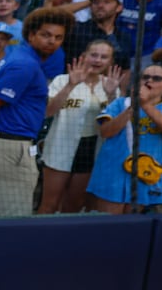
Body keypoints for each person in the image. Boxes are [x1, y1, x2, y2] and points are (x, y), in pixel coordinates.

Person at [0, 7, 75, 217]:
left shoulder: (15, 57)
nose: (52, 41)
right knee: (14, 220)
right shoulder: (24, 65)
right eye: (46, 35)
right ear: (31, 35)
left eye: (58, 37)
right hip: (8, 146)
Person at [37, 41, 124, 214]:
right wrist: (71, 85)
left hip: (91, 150)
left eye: (104, 57)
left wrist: (112, 95)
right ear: (83, 56)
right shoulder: (62, 80)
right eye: (94, 55)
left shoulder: (111, 85)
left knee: (75, 204)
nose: (98, 60)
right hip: (59, 147)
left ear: (110, 61)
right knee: (49, 204)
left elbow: (113, 124)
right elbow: (48, 112)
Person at [87, 64, 162, 214]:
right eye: (145, 77)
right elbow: (105, 132)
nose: (149, 81)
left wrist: (145, 105)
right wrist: (132, 107)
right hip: (113, 171)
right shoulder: (120, 103)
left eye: (156, 78)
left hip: (145, 172)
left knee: (132, 226)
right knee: (108, 225)